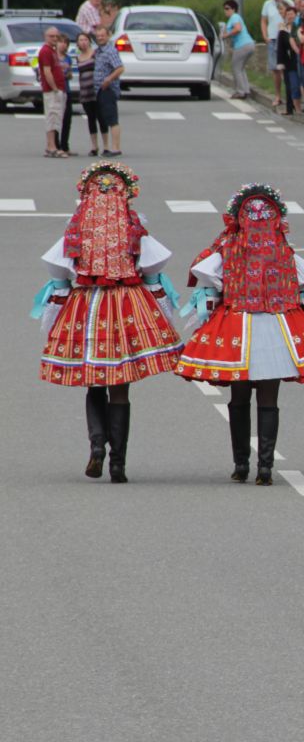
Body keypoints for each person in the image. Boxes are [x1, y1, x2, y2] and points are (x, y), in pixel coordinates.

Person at [32, 162, 183, 482]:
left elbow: (58, 274)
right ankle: (118, 463)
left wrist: (54, 320)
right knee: (120, 386)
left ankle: (97, 446)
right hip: (126, 306)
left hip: (86, 307)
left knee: (94, 381)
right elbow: (153, 271)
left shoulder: (76, 228)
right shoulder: (134, 226)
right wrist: (163, 315)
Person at [176, 184, 304, 486]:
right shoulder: (283, 248)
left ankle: (241, 464)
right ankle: (265, 467)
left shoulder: (228, 246)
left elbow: (203, 272)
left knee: (239, 396)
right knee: (269, 397)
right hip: (276, 325)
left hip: (238, 325)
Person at [93, 26, 124, 156]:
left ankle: (116, 148)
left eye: (102, 35)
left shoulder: (110, 51)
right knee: (105, 118)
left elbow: (120, 68)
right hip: (99, 90)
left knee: (112, 119)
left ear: (108, 36)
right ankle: (110, 147)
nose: (100, 38)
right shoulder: (98, 51)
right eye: (98, 36)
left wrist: (109, 79)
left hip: (108, 89)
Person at [261, 0, 293, 107]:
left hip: (284, 37)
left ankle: (290, 95)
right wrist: (265, 35)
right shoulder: (267, 4)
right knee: (275, 69)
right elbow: (263, 21)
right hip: (273, 38)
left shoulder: (288, 2)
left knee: (285, 69)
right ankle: (278, 95)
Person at [75, 33, 107, 156]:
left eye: (85, 40)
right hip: (85, 92)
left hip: (97, 90)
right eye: (80, 40)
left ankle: (106, 146)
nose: (83, 42)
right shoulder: (78, 57)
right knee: (91, 118)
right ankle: (94, 146)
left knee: (101, 117)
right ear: (78, 43)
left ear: (89, 41)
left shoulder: (95, 54)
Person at [38, 26, 67, 158]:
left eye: (56, 36)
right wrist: (54, 88)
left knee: (56, 118)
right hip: (52, 90)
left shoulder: (52, 50)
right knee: (52, 117)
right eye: (51, 36)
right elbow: (47, 71)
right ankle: (51, 147)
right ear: (46, 37)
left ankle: (51, 146)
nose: (55, 38)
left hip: (58, 88)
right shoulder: (45, 51)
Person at [223, 0, 256, 100]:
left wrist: (226, 35)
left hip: (242, 45)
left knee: (236, 68)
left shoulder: (234, 17)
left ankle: (241, 92)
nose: (225, 11)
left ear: (233, 9)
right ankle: (246, 90)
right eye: (224, 9)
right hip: (249, 44)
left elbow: (238, 28)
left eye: (227, 8)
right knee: (240, 68)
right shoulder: (234, 18)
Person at [277, 4, 302, 115]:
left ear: (296, 15)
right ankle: (290, 108)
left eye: (292, 14)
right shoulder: (283, 30)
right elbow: (280, 48)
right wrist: (280, 63)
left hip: (301, 59)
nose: (290, 16)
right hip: (289, 61)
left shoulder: (300, 28)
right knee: (291, 84)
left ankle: (303, 106)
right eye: (288, 14)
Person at [56, 34, 76, 156]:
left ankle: (65, 145)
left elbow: (70, 74)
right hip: (56, 90)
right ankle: (56, 145)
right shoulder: (53, 57)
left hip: (66, 90)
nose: (63, 45)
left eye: (66, 43)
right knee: (56, 118)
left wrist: (68, 74)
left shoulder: (68, 58)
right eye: (61, 42)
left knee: (67, 119)